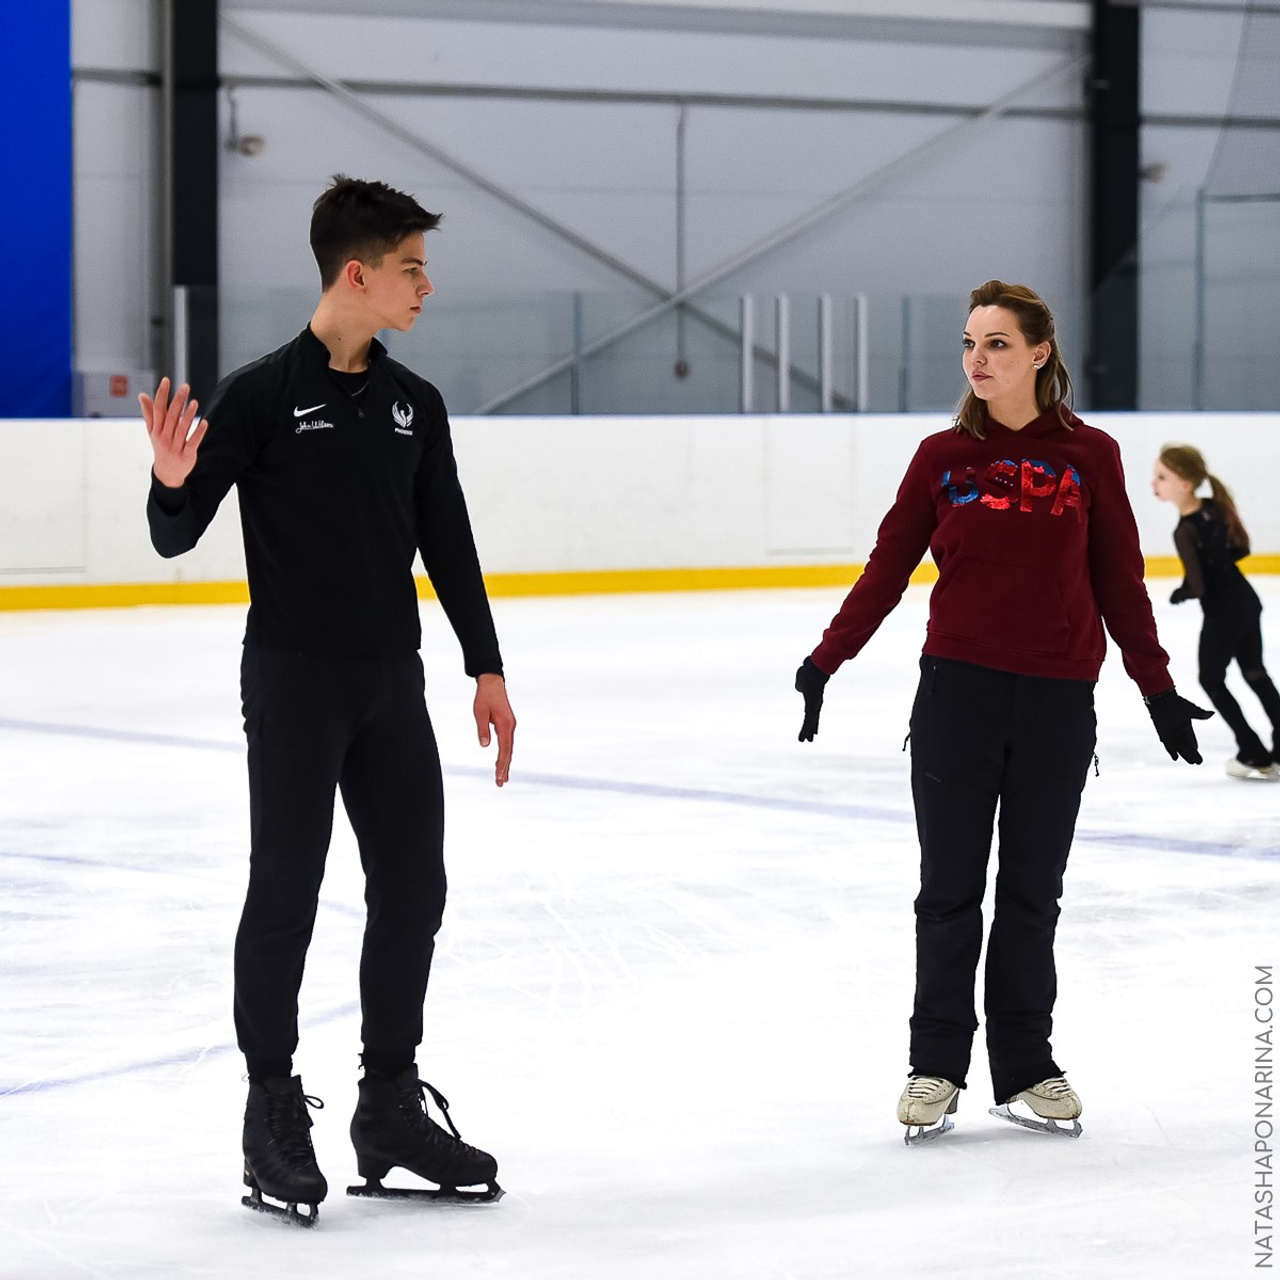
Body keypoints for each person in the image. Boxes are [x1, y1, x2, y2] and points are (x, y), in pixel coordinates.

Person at [140, 175, 516, 1225]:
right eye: (411, 268)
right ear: (358, 272)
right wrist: (173, 479)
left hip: (390, 679)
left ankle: (388, 1105)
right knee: (287, 891)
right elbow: (175, 533)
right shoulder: (260, 395)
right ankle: (270, 1109)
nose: (425, 287)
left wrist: (484, 665)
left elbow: (448, 539)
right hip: (296, 679)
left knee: (414, 887)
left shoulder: (414, 405)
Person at [793, 280, 1210, 1144]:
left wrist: (1157, 685)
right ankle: (935, 1067)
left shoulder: (1090, 455)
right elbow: (886, 569)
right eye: (968, 344)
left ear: (1038, 354)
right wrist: (826, 659)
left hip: (1058, 700)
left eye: (995, 345)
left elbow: (1120, 581)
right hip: (958, 695)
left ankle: (1026, 1067)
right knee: (947, 893)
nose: (976, 361)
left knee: (1031, 895)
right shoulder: (940, 457)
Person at [1152, 444, 1280, 781]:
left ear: (1185, 484)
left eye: (1162, 477)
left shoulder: (1184, 530)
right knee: (1255, 673)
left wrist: (1180, 593)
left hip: (1223, 612)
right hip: (1247, 601)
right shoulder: (1215, 508)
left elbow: (1199, 587)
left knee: (1211, 679)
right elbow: (1241, 549)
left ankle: (1252, 751)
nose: (1155, 484)